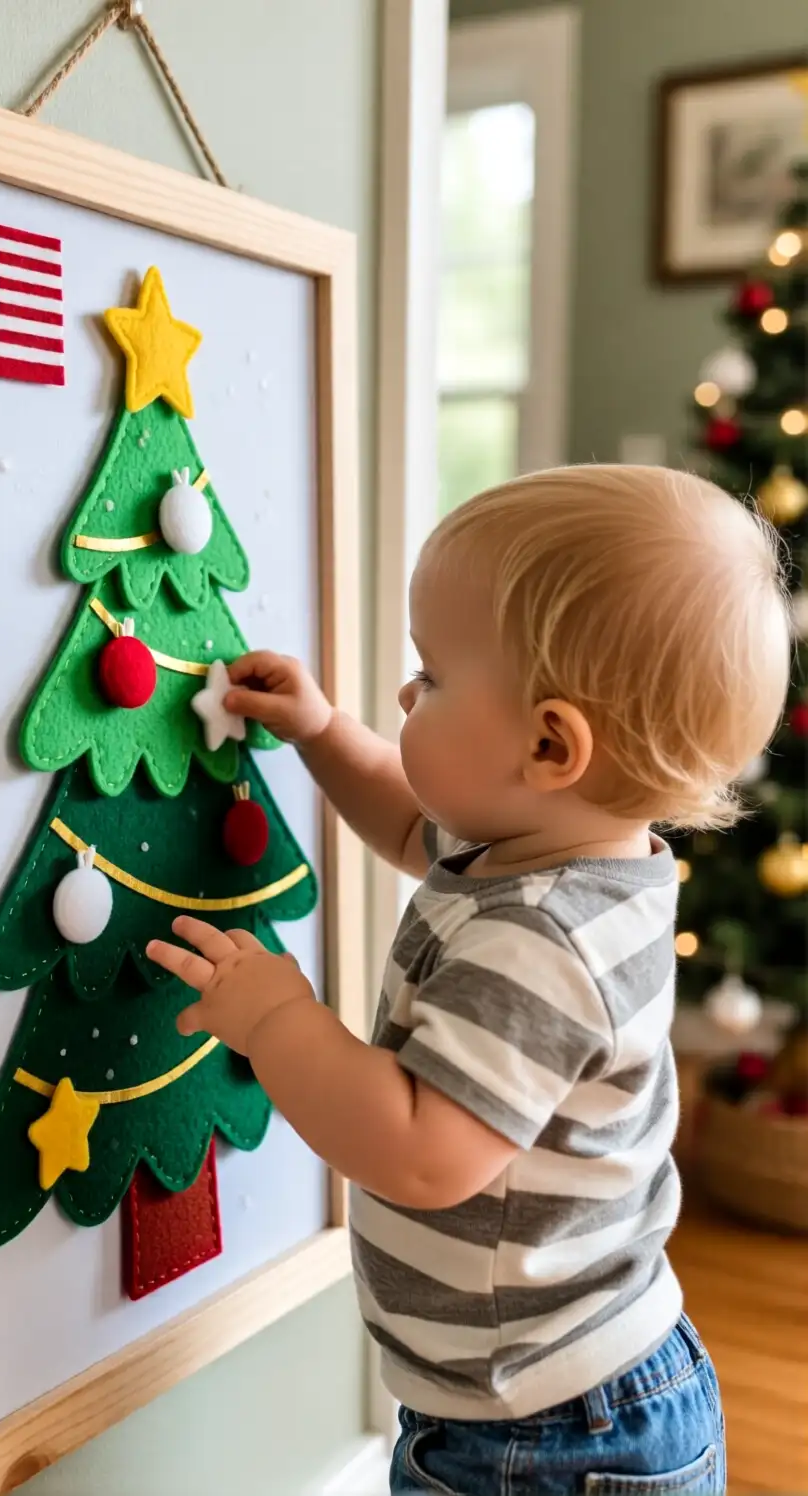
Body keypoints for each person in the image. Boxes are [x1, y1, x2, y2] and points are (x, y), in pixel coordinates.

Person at [147, 464, 791, 1496]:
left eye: (433, 676)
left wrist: (278, 1019)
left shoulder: (541, 941)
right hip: (550, 1396)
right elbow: (411, 820)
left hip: (547, 1435)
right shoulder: (560, 848)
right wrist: (320, 733)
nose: (407, 692)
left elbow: (421, 1151)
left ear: (548, 742)